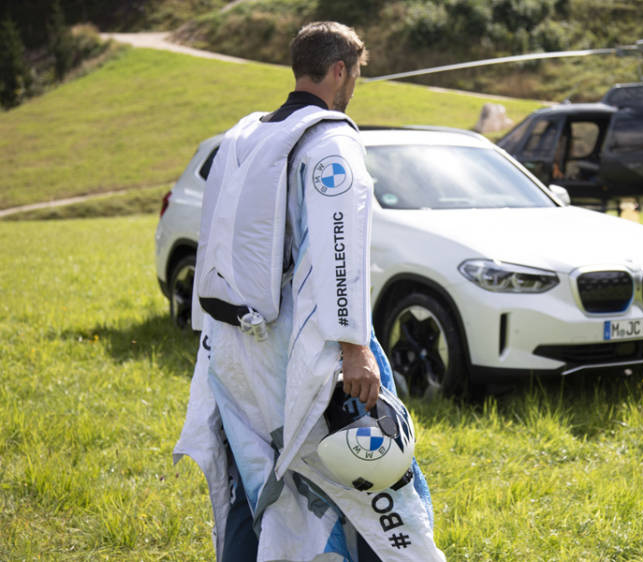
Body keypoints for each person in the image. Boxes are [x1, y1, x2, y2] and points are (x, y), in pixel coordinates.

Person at [173, 22, 445, 561]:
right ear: (340, 70)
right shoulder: (330, 141)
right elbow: (338, 251)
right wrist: (355, 349)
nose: (355, 85)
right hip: (303, 352)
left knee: (260, 484)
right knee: (374, 479)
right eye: (357, 74)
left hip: (234, 352)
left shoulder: (244, 136)